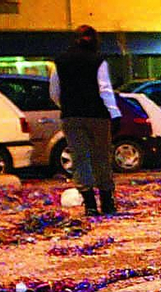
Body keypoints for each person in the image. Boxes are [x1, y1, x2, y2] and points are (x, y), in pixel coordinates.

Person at [50, 25, 122, 217]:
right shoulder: (98, 61)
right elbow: (104, 89)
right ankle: (107, 201)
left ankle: (89, 203)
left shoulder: (60, 61)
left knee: (80, 157)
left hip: (71, 116)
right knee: (101, 157)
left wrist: (66, 106)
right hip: (97, 115)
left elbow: (54, 92)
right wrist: (114, 113)